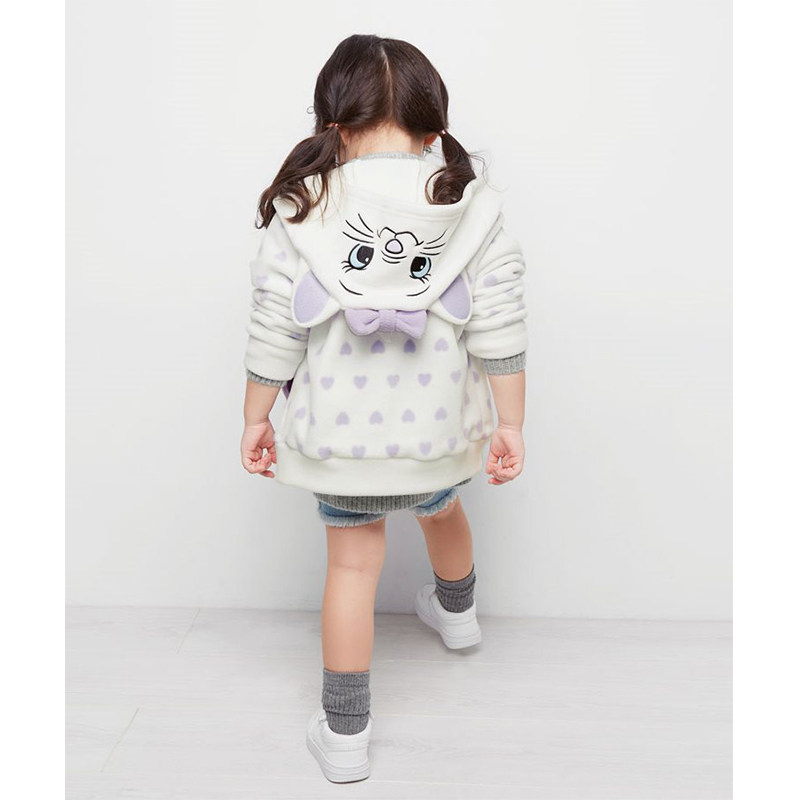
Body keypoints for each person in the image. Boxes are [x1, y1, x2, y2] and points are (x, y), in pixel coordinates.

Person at [240, 34, 527, 783]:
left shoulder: (306, 208)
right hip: (436, 434)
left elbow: (274, 324)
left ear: (333, 125)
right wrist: (510, 424)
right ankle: (459, 617)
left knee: (353, 565)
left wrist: (256, 417)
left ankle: (344, 736)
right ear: (433, 129)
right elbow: (501, 322)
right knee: (442, 509)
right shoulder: (466, 205)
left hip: (342, 445)